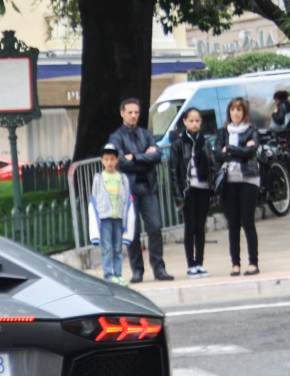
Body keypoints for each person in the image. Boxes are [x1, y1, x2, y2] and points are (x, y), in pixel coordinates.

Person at [108, 98, 173, 282]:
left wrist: (135, 157)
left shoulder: (146, 134)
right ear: (122, 113)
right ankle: (137, 270)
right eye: (130, 112)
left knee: (155, 227)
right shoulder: (116, 137)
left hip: (148, 187)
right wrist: (145, 157)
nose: (134, 115)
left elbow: (157, 155)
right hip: (128, 188)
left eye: (136, 112)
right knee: (132, 231)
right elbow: (120, 161)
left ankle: (159, 268)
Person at [168, 107, 216, 277]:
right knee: (190, 227)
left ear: (201, 122)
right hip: (188, 190)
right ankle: (191, 264)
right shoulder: (178, 144)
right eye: (191, 121)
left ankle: (200, 263)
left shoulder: (205, 142)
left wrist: (213, 190)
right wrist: (178, 195)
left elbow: (212, 166)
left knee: (200, 227)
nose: (194, 124)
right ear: (185, 122)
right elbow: (173, 171)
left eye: (197, 121)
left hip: (203, 188)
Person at [215, 97, 260, 276]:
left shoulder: (252, 130)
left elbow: (251, 151)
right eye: (233, 110)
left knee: (247, 221)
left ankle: (253, 262)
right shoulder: (222, 132)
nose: (235, 113)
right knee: (233, 223)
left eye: (239, 110)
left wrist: (230, 149)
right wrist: (239, 150)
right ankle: (235, 263)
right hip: (229, 181)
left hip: (248, 179)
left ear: (244, 112)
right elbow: (217, 154)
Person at [87, 143, 135, 285]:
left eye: (112, 159)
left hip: (118, 217)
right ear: (102, 160)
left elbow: (127, 198)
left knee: (118, 247)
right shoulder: (98, 178)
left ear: (117, 160)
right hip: (105, 217)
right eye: (106, 159)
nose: (109, 162)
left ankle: (118, 274)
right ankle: (108, 274)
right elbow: (94, 198)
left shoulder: (122, 178)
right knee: (107, 247)